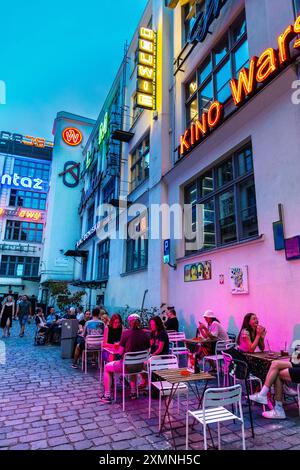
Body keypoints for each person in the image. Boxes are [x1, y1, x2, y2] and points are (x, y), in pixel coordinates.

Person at [100, 313, 150, 404]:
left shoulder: (125, 334)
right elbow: (147, 350)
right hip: (140, 367)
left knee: (107, 367)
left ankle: (107, 395)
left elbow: (119, 352)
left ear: (130, 323)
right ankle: (133, 392)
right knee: (133, 364)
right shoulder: (145, 334)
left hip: (126, 366)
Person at [138, 316, 169, 390]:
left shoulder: (162, 334)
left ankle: (147, 382)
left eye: (153, 324)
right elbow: (150, 346)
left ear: (158, 324)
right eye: (151, 324)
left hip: (160, 357)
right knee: (138, 363)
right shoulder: (153, 333)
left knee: (144, 364)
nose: (152, 326)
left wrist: (151, 356)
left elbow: (160, 349)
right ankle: (145, 381)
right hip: (153, 356)